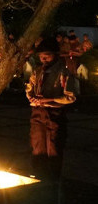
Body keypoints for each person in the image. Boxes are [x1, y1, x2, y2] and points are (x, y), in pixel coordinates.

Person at [25, 37, 77, 183]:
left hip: (54, 114)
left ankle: (52, 180)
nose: (43, 59)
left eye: (46, 56)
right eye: (41, 56)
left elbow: (70, 97)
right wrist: (32, 98)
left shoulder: (63, 73)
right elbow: (29, 88)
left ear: (55, 55)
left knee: (53, 147)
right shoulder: (38, 71)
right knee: (37, 145)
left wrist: (47, 100)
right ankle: (37, 178)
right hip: (37, 113)